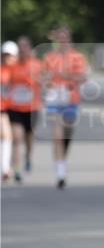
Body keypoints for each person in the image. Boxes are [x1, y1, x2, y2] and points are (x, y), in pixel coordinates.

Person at [42, 25, 88, 188]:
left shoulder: (77, 57)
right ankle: (60, 173)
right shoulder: (48, 57)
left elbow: (83, 78)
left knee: (67, 135)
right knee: (57, 136)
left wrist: (66, 76)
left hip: (71, 100)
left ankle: (61, 160)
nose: (62, 41)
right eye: (59, 39)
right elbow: (44, 79)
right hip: (54, 101)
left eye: (65, 38)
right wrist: (46, 81)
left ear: (69, 40)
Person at [7, 36, 42, 181]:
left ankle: (28, 156)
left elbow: (45, 80)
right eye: (19, 47)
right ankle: (16, 170)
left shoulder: (37, 64)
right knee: (16, 138)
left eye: (24, 47)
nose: (22, 50)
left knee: (28, 137)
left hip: (32, 108)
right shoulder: (11, 65)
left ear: (29, 49)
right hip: (15, 107)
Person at [1, 41, 19, 183]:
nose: (9, 58)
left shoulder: (18, 69)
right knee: (7, 135)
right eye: (6, 55)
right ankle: (6, 169)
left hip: (14, 108)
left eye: (11, 55)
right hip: (2, 108)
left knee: (12, 137)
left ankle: (8, 167)